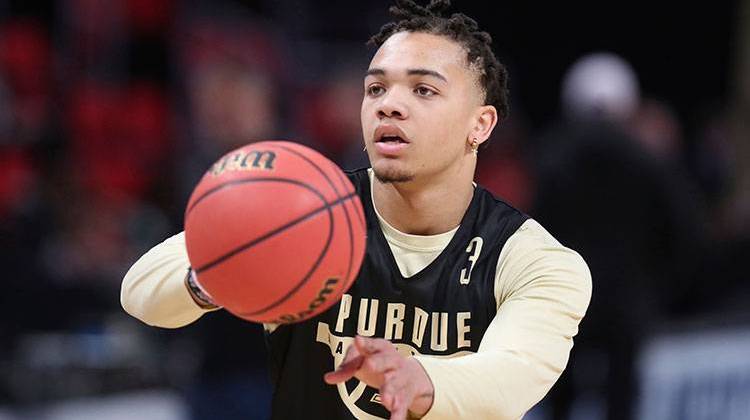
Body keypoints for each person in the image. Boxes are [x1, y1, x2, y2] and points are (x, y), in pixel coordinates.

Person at [121, 1, 591, 419]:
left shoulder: (533, 258)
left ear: (480, 124)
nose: (390, 105)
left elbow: (513, 373)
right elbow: (139, 291)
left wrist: (421, 381)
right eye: (375, 90)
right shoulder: (304, 211)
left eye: (423, 90)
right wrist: (221, 274)